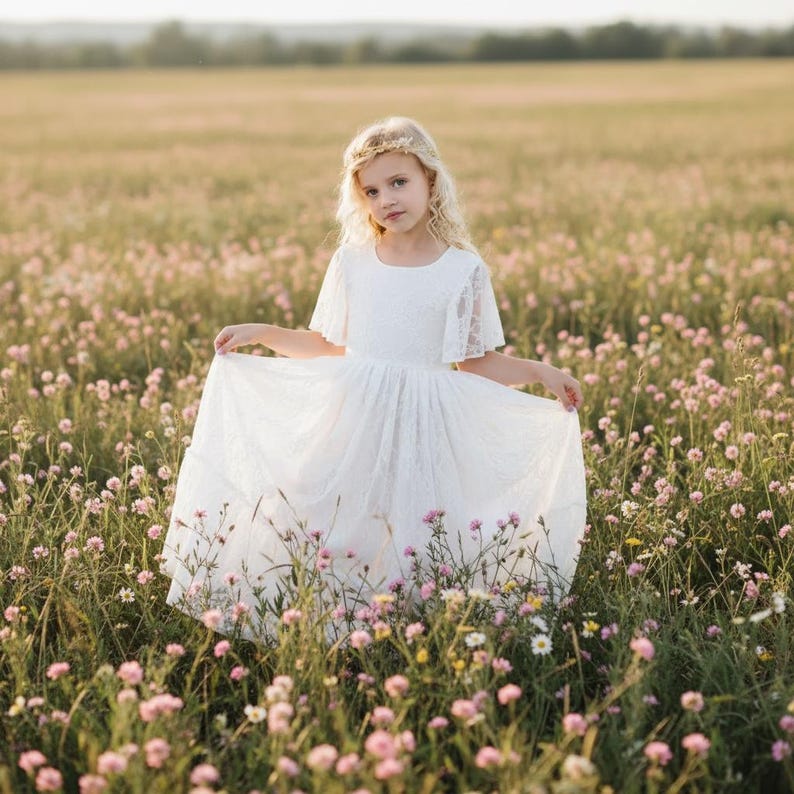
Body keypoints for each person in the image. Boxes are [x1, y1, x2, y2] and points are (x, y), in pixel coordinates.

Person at [161, 117, 586, 638]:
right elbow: (328, 346)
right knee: (342, 522)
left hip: (424, 425)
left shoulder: (463, 270)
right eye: (372, 190)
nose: (387, 199)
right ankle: (334, 626)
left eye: (399, 182)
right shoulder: (353, 262)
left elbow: (476, 362)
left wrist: (542, 373)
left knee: (414, 526)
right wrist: (263, 333)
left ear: (431, 179)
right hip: (353, 417)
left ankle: (406, 632)